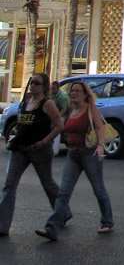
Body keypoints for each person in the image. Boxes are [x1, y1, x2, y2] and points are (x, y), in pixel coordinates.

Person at [36, 80, 113, 240]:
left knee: (98, 189)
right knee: (63, 192)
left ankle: (107, 221)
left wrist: (100, 146)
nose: (74, 93)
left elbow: (99, 128)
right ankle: (52, 228)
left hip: (89, 153)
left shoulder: (91, 109)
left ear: (85, 94)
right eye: (72, 91)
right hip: (73, 153)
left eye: (78, 91)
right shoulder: (72, 110)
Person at [0, 73, 65, 237]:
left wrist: (45, 141)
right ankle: (2, 226)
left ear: (44, 86)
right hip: (20, 148)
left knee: (48, 183)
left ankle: (63, 212)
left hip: (39, 149)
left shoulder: (47, 103)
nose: (33, 85)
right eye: (32, 82)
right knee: (9, 185)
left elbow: (59, 126)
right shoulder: (26, 101)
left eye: (37, 83)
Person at [50, 81, 69, 156]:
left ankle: (55, 150)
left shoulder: (62, 96)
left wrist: (58, 117)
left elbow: (64, 109)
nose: (52, 90)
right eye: (51, 88)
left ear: (58, 88)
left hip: (62, 115)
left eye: (54, 89)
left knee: (57, 129)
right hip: (53, 115)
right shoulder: (51, 95)